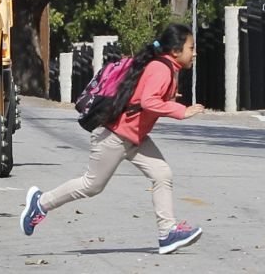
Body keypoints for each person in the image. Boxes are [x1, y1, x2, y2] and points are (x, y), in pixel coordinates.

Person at [20, 23, 206, 255]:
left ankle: (167, 233)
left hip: (134, 137)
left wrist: (168, 97)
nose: (194, 53)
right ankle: (41, 203)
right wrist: (181, 111)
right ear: (176, 51)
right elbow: (149, 102)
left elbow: (144, 98)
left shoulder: (167, 68)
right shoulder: (161, 68)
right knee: (91, 186)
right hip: (115, 136)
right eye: (191, 48)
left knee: (162, 174)